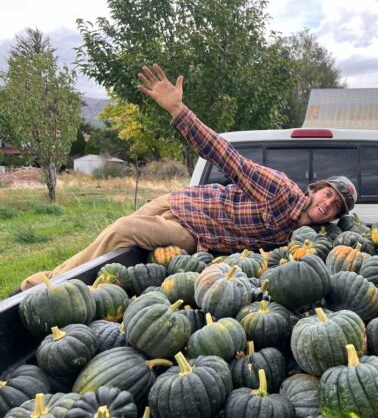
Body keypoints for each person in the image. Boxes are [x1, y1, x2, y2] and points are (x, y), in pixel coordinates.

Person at [20, 63, 357, 291]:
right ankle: (51, 283)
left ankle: (43, 286)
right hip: (181, 201)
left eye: (336, 206)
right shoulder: (280, 190)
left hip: (191, 234)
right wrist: (178, 111)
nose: (328, 204)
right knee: (108, 241)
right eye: (328, 194)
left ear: (334, 217)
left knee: (124, 230)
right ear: (315, 190)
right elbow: (227, 156)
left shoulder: (299, 242)